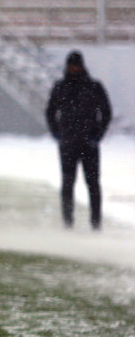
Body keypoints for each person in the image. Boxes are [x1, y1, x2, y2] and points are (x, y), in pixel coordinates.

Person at [45, 50, 112, 230]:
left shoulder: (93, 86)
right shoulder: (61, 87)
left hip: (88, 143)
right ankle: (68, 222)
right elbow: (50, 111)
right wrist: (57, 133)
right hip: (68, 143)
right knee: (68, 183)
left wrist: (97, 135)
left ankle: (95, 224)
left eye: (76, 66)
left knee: (93, 184)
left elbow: (106, 112)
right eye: (71, 66)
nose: (73, 69)